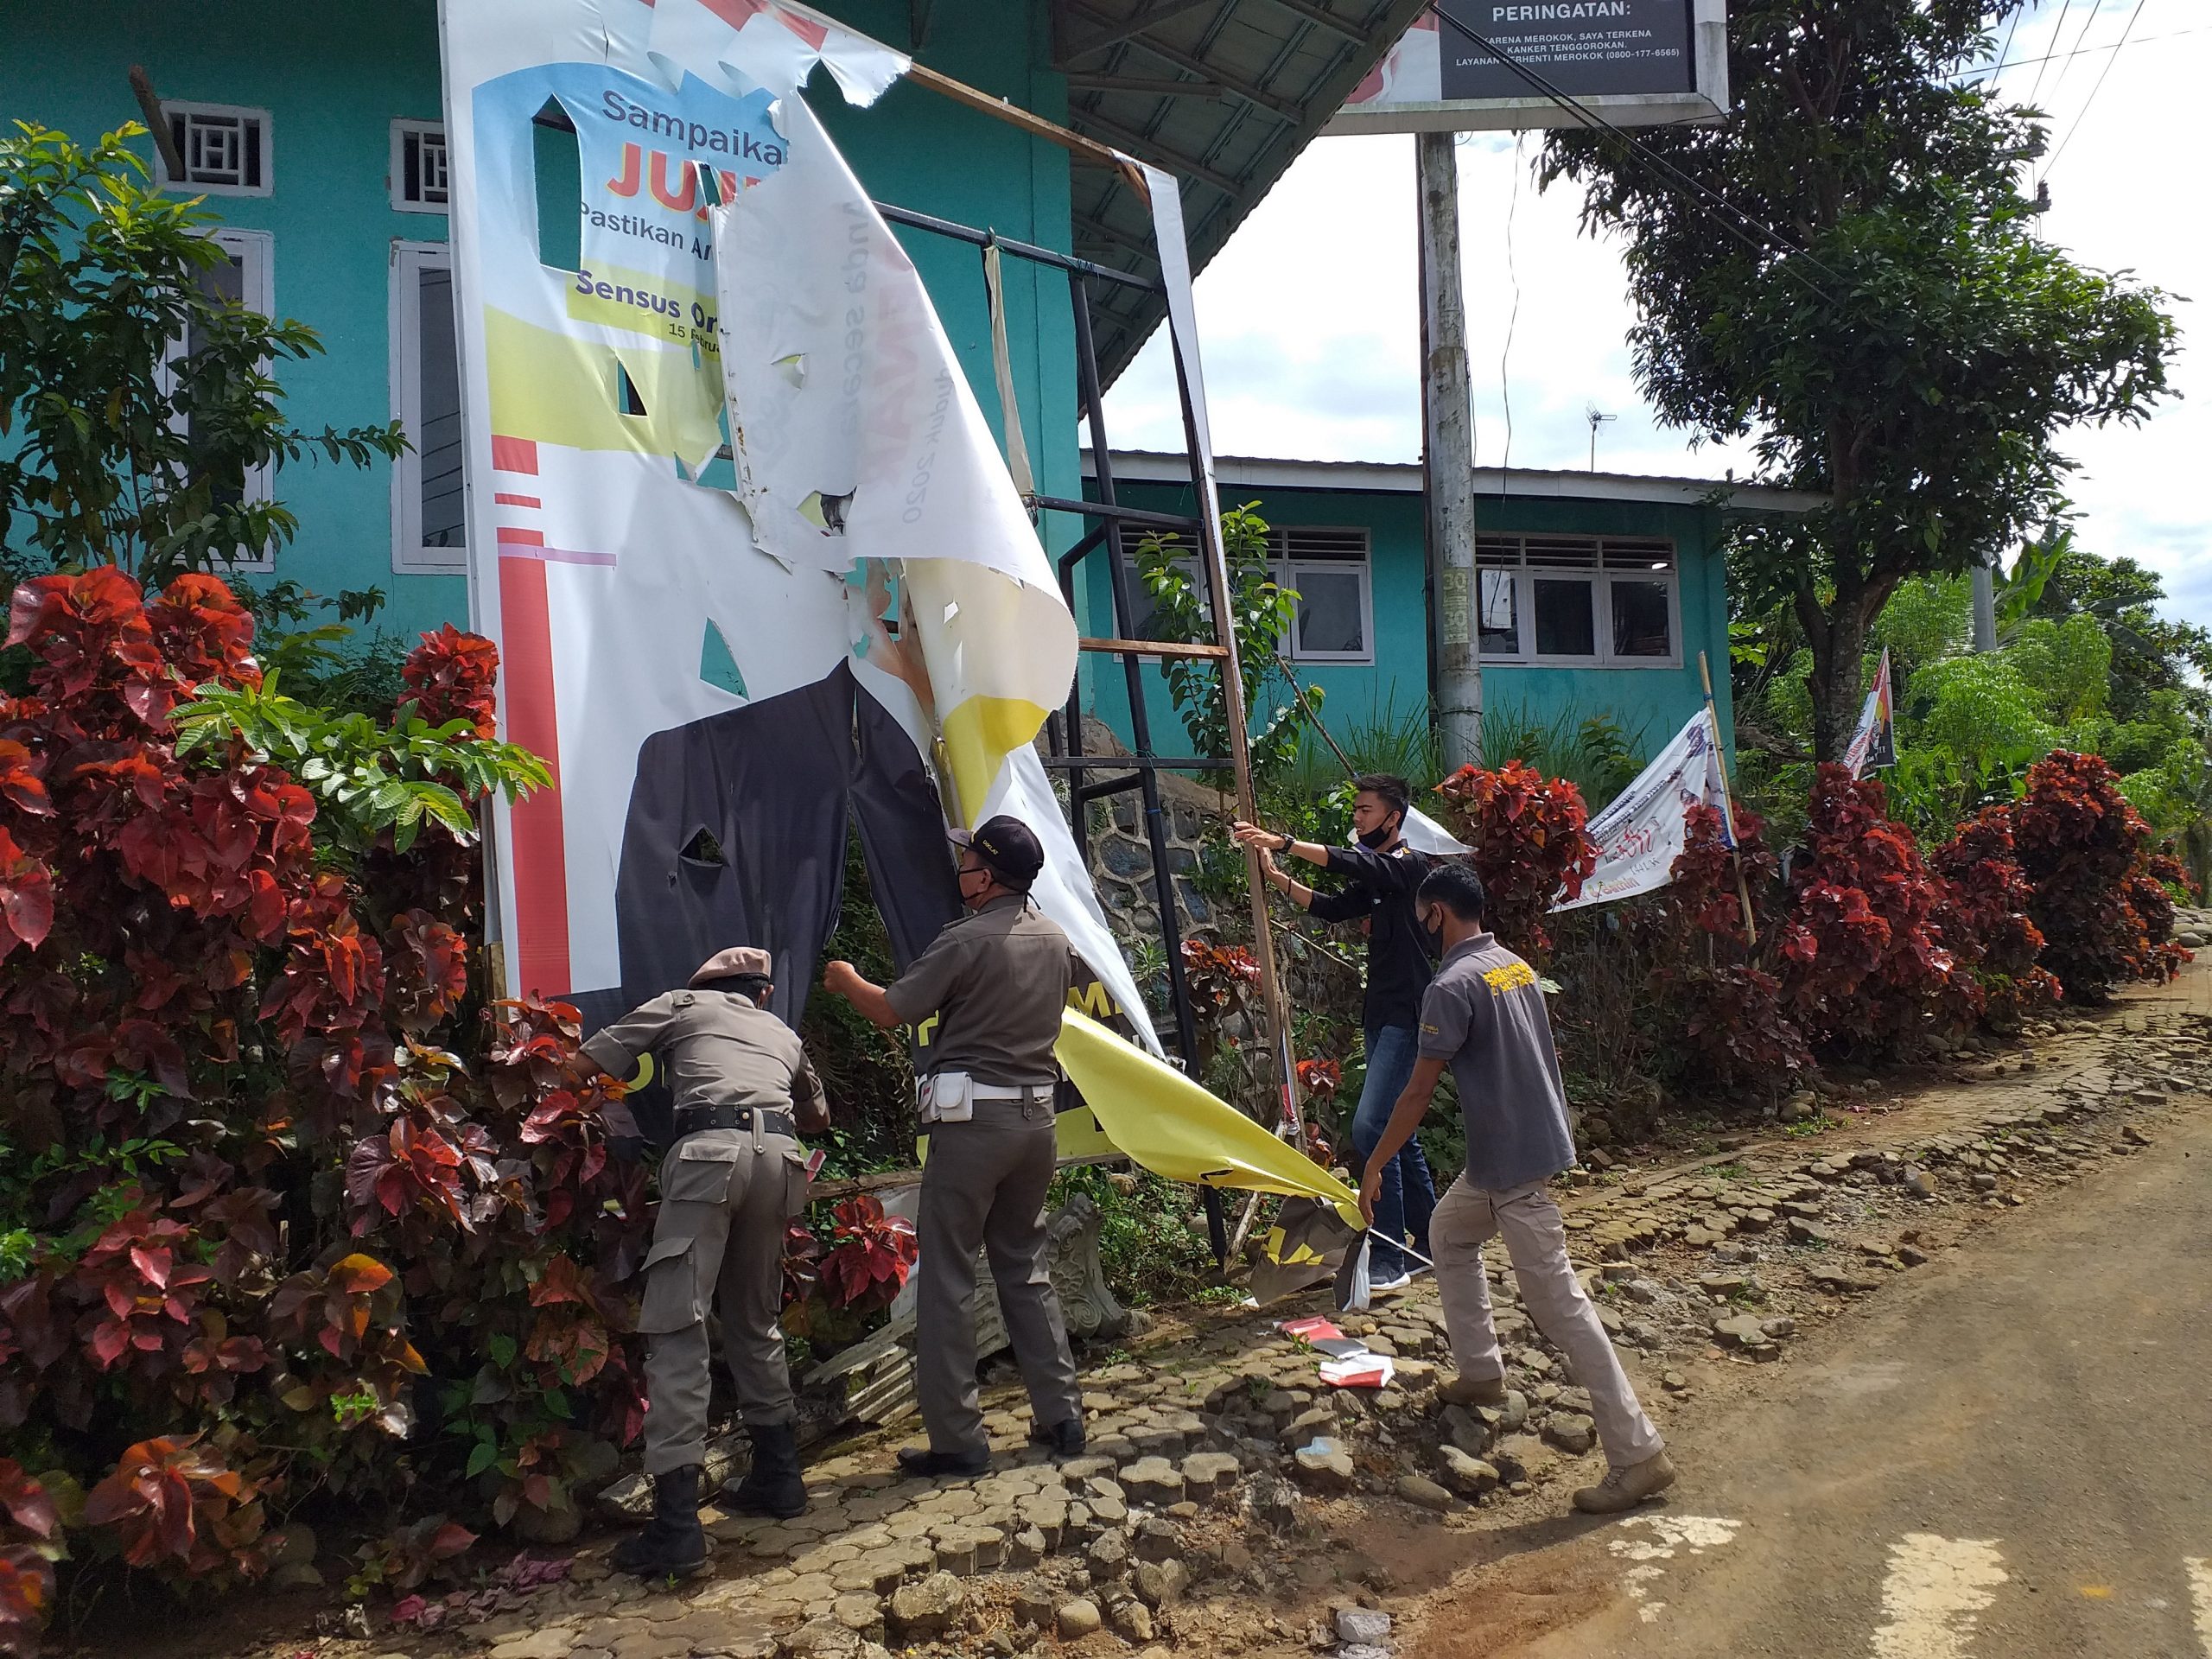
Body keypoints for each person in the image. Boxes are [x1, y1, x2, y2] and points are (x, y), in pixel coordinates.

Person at [1357, 862, 1676, 1516]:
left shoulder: (1450, 984)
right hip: (1509, 1156)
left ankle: (1639, 1454)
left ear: (1435, 915)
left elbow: (1416, 1092)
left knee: (1561, 1308)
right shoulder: (1512, 964)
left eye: (1422, 918)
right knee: (1448, 1231)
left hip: (1515, 1168)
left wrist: (1373, 1163)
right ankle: (1480, 1372)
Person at [821, 814, 1086, 1477]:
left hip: (974, 1131)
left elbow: (892, 1009)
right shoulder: (1055, 938)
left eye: (968, 861)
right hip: (1037, 1125)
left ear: (986, 876)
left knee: (947, 1277)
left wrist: (844, 978)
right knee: (1024, 1265)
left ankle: (959, 1439)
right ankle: (1063, 1415)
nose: (960, 869)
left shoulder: (965, 941)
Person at [581, 947, 830, 1578]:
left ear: (705, 985)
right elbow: (818, 1117)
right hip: (781, 1160)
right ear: (762, 994)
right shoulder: (781, 1032)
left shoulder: (681, 1005)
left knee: (677, 1324)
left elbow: (582, 1064)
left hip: (708, 1157)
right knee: (756, 1319)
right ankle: (780, 1477)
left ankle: (677, 1528)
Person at [1230, 774, 1439, 1289]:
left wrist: (1284, 841)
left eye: (1366, 811)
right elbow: (1331, 906)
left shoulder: (1409, 868)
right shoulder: (1379, 876)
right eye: (1357, 811)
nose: (1357, 820)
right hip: (1381, 1016)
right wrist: (1276, 874)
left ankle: (1390, 1253)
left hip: (1406, 1018)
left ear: (1393, 818)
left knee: (1372, 1130)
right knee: (1399, 1137)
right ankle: (1433, 1245)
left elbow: (1358, 863)